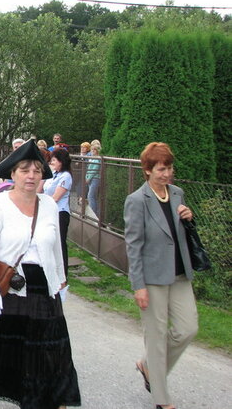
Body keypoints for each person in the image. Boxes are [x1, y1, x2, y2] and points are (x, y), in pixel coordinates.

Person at [0, 139, 80, 409]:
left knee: (45, 351)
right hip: (9, 288)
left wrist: (61, 282)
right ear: (12, 174)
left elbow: (56, 249)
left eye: (37, 170)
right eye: (25, 170)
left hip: (43, 289)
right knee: (0, 350)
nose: (31, 176)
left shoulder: (49, 205)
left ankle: (39, 399)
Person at [123, 142, 197, 409]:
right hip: (152, 277)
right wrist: (138, 285)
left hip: (179, 273)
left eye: (169, 168)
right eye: (161, 169)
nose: (167, 174)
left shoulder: (177, 193)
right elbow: (133, 245)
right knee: (155, 337)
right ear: (147, 170)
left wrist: (189, 218)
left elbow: (180, 235)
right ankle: (161, 399)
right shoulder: (136, 201)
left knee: (188, 328)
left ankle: (148, 365)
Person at [43, 149, 72, 277]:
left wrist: (42, 205)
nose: (52, 162)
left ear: (61, 161)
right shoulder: (53, 174)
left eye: (54, 160)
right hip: (49, 212)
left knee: (60, 243)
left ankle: (63, 273)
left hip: (60, 213)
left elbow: (56, 197)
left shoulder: (66, 176)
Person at [85, 140, 102, 217]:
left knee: (90, 196)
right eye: (91, 150)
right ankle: (94, 213)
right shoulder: (92, 158)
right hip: (90, 178)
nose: (91, 151)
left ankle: (93, 214)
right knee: (92, 196)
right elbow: (88, 168)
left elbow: (95, 169)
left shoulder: (98, 159)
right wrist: (87, 177)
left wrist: (89, 178)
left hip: (95, 178)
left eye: (93, 150)